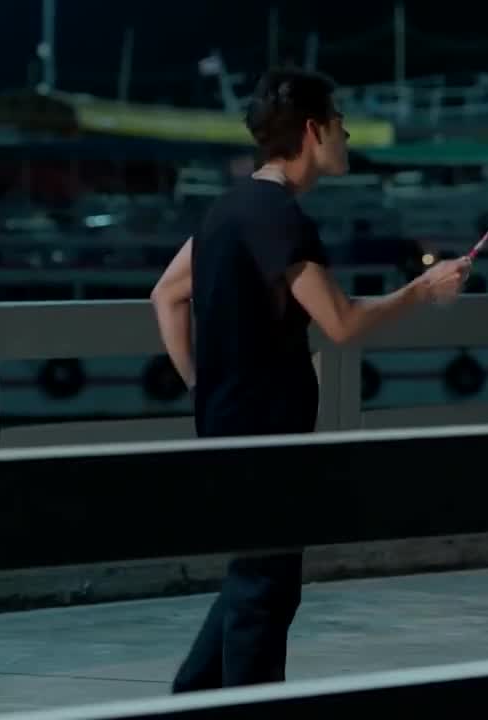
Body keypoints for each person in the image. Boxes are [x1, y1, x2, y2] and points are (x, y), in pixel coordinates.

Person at [150, 67, 469, 691]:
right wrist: (422, 290)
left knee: (253, 576)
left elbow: (165, 296)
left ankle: (190, 697)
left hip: (229, 424)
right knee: (265, 590)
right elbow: (342, 322)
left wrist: (200, 387)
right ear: (313, 131)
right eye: (339, 121)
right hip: (268, 433)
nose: (346, 133)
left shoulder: (228, 207)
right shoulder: (280, 217)